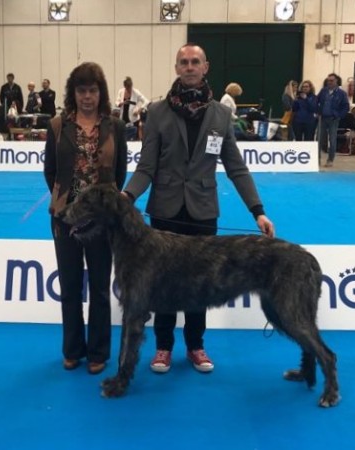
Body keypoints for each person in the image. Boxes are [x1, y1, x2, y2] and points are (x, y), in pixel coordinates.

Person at [122, 43, 274, 374]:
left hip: (204, 211)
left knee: (200, 285)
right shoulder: (158, 112)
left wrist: (257, 210)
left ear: (205, 68)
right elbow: (146, 167)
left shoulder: (221, 114)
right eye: (183, 62)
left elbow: (236, 168)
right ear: (176, 68)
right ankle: (163, 347)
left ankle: (195, 346)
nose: (189, 67)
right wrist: (127, 197)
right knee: (161, 284)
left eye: (195, 62)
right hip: (164, 210)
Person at [43, 62, 127, 375]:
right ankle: (72, 350)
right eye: (81, 90)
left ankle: (98, 352)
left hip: (102, 221)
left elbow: (120, 171)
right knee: (70, 286)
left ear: (101, 93)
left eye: (92, 90)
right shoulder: (57, 125)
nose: (87, 97)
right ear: (73, 93)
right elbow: (50, 171)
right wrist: (65, 201)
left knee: (101, 289)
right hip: (64, 219)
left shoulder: (115, 126)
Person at [317, 73, 350, 167]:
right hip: (322, 119)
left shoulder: (341, 93)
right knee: (319, 139)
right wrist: (317, 111)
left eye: (331, 80)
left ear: (336, 81)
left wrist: (339, 115)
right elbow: (317, 101)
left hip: (333, 119)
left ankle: (330, 159)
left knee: (332, 139)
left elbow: (345, 107)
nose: (329, 82)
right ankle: (317, 159)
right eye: (328, 80)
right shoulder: (323, 91)